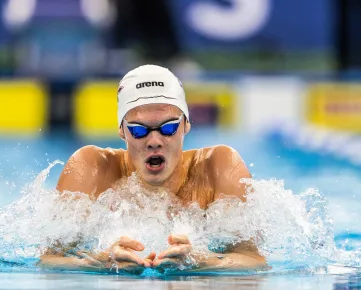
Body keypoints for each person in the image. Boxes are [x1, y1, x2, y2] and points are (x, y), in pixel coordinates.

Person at [39, 65, 267, 273]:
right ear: (122, 130)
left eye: (168, 127)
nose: (154, 140)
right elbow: (49, 261)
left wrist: (204, 262)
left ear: (186, 124)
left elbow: (254, 262)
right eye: (139, 130)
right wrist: (100, 262)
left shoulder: (219, 167)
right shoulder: (91, 168)